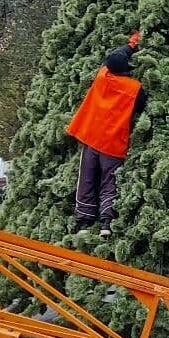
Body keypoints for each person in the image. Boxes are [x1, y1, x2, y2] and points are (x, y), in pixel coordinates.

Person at [66, 31, 147, 237]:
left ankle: (84, 222)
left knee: (87, 179)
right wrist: (137, 41)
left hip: (92, 138)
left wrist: (130, 43)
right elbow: (142, 107)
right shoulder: (134, 88)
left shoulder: (102, 75)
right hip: (113, 142)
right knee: (109, 182)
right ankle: (106, 223)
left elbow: (116, 55)